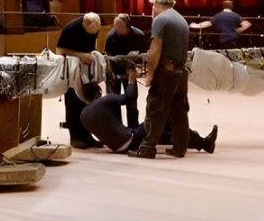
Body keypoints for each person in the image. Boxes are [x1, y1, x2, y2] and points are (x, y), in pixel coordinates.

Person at [81, 62, 217, 154]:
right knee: (161, 119)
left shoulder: (83, 115)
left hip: (117, 148)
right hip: (130, 138)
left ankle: (203, 144)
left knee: (160, 133)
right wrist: (131, 79)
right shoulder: (103, 102)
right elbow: (129, 97)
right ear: (98, 91)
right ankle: (202, 143)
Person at [129, 0, 190, 159]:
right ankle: (180, 147)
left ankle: (148, 147)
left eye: (152, 5)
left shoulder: (161, 20)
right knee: (180, 109)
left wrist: (149, 74)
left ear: (156, 3)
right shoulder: (181, 19)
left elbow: (155, 50)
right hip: (180, 71)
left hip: (166, 71)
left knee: (155, 107)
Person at [56, 12, 103, 149]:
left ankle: (87, 136)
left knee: (88, 101)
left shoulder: (94, 26)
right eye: (91, 31)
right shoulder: (70, 29)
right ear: (84, 24)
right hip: (72, 69)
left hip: (87, 70)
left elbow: (93, 44)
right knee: (73, 102)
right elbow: (59, 50)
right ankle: (75, 137)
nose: (93, 34)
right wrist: (80, 55)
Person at [104, 13, 147, 128]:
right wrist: (109, 70)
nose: (115, 28)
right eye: (114, 25)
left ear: (127, 26)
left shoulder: (138, 35)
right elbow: (107, 54)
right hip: (115, 70)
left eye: (118, 26)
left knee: (132, 99)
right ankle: (116, 127)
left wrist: (137, 63)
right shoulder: (111, 35)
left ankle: (133, 128)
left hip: (130, 71)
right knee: (113, 100)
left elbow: (144, 56)